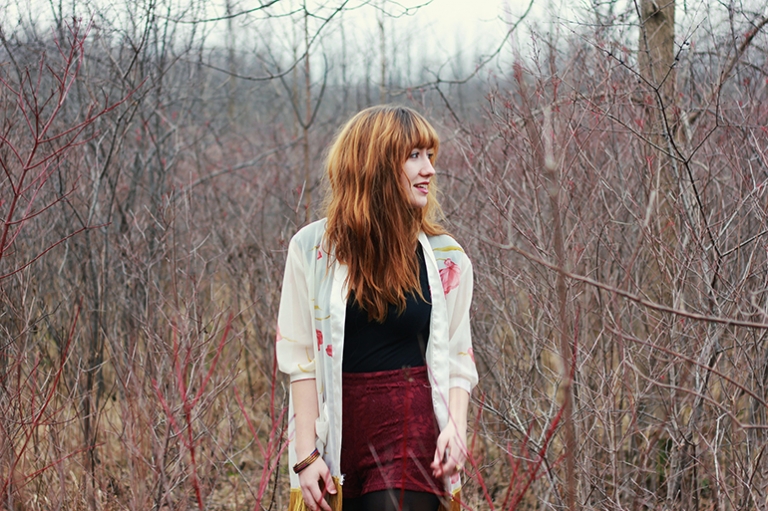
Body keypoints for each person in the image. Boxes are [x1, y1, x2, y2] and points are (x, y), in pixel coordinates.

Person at [276, 105, 478, 511]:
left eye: (430, 156)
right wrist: (305, 456)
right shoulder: (311, 250)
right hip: (336, 431)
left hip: (411, 432)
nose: (429, 170)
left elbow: (459, 357)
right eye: (414, 155)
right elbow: (300, 358)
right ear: (377, 164)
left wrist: (455, 428)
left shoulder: (446, 259)